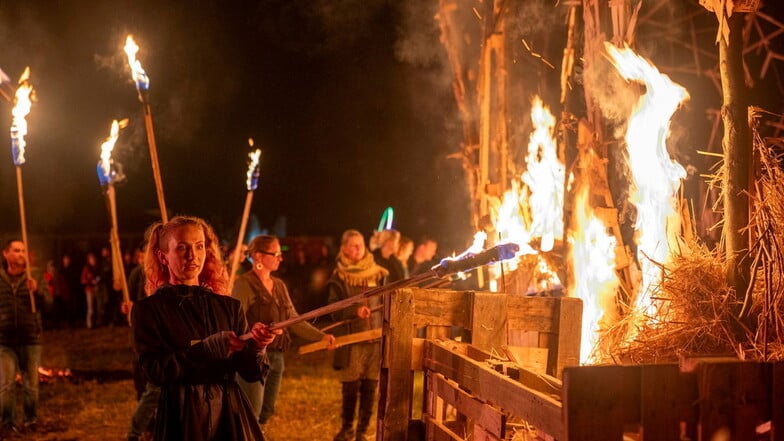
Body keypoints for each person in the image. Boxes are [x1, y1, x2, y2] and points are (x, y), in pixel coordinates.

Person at [131, 216, 279, 441]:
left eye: (199, 246)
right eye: (182, 247)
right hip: (181, 416)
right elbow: (154, 371)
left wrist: (258, 347)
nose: (193, 255)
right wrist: (205, 349)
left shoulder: (228, 307)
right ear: (163, 256)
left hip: (228, 414)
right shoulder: (150, 310)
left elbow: (250, 372)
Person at [232, 235, 334, 431]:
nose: (281, 258)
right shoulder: (244, 284)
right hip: (252, 359)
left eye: (281, 254)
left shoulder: (279, 285)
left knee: (267, 411)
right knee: (251, 411)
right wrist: (255, 331)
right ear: (259, 256)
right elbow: (235, 322)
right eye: (276, 253)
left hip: (277, 357)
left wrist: (320, 336)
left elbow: (293, 319)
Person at [327, 230, 388, 441]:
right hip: (352, 341)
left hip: (375, 339)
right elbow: (333, 308)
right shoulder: (339, 276)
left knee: (371, 386)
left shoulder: (379, 273)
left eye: (360, 244)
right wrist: (354, 311)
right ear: (343, 248)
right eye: (352, 245)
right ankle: (347, 428)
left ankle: (362, 431)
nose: (358, 248)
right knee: (351, 387)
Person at [0, 239, 45, 434]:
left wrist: (37, 292)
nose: (21, 254)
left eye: (23, 250)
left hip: (30, 338)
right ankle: (7, 423)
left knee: (31, 384)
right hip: (4, 340)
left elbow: (50, 304)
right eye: (16, 250)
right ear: (5, 254)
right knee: (6, 384)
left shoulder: (34, 276)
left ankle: (31, 420)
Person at [80, 252, 100, 329]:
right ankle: (89, 324)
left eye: (93, 259)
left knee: (96, 307)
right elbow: (82, 280)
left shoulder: (97, 268)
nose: (93, 260)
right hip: (89, 290)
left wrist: (97, 280)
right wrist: (90, 282)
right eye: (91, 259)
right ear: (88, 260)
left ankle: (96, 322)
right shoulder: (86, 269)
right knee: (90, 308)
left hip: (96, 289)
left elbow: (99, 277)